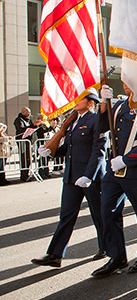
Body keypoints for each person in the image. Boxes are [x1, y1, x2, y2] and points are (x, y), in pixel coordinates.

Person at [90, 83, 137, 277]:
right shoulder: (119, 105)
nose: (126, 83)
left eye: (131, 79)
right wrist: (104, 104)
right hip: (114, 170)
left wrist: (126, 161)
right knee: (107, 211)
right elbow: (101, 127)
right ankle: (116, 256)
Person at [33, 89, 107, 267]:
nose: (75, 101)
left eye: (81, 99)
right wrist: (51, 151)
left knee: (99, 214)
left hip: (90, 176)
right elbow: (68, 148)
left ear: (91, 103)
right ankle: (55, 254)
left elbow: (99, 150)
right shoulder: (72, 121)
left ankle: (107, 248)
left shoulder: (96, 120)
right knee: (66, 215)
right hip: (72, 176)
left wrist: (89, 175)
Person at [14, 107, 41, 181]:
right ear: (23, 112)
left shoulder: (28, 120)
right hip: (22, 141)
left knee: (28, 158)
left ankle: (27, 173)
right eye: (27, 112)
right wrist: (31, 126)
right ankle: (23, 175)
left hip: (28, 141)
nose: (29, 114)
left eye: (29, 112)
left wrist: (35, 125)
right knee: (24, 158)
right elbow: (21, 129)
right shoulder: (18, 120)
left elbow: (30, 128)